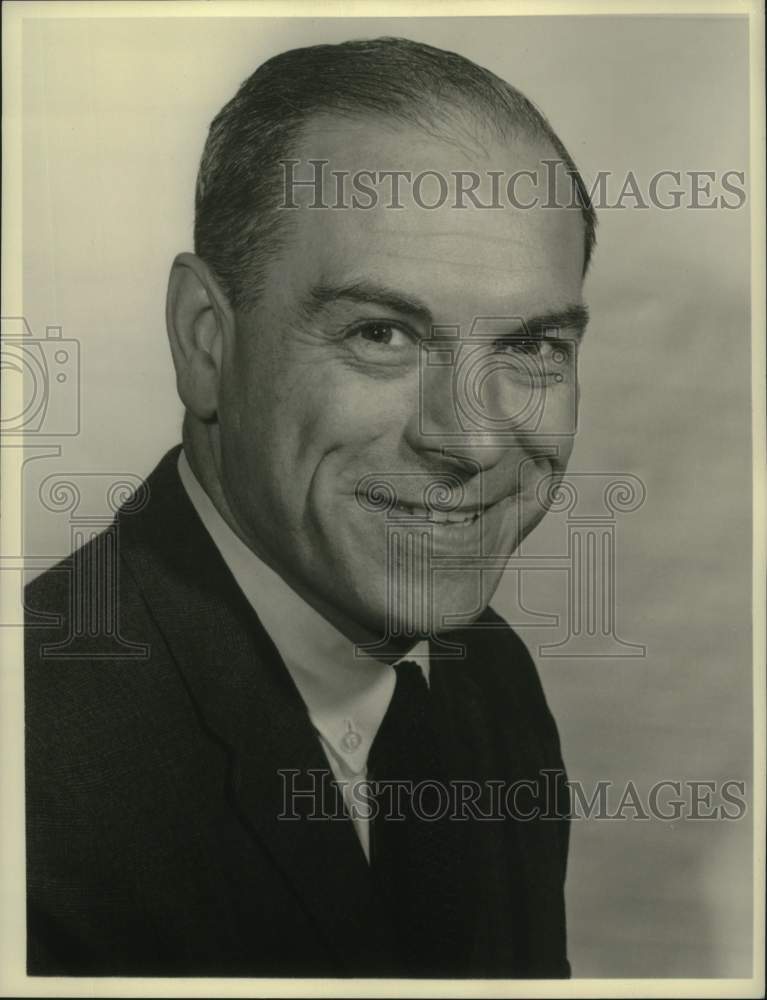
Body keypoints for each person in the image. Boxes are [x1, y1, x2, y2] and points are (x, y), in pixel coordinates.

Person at [25, 36, 595, 978]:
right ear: (206, 342)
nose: (477, 442)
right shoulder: (33, 770)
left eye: (532, 346)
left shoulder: (484, 679)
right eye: (382, 333)